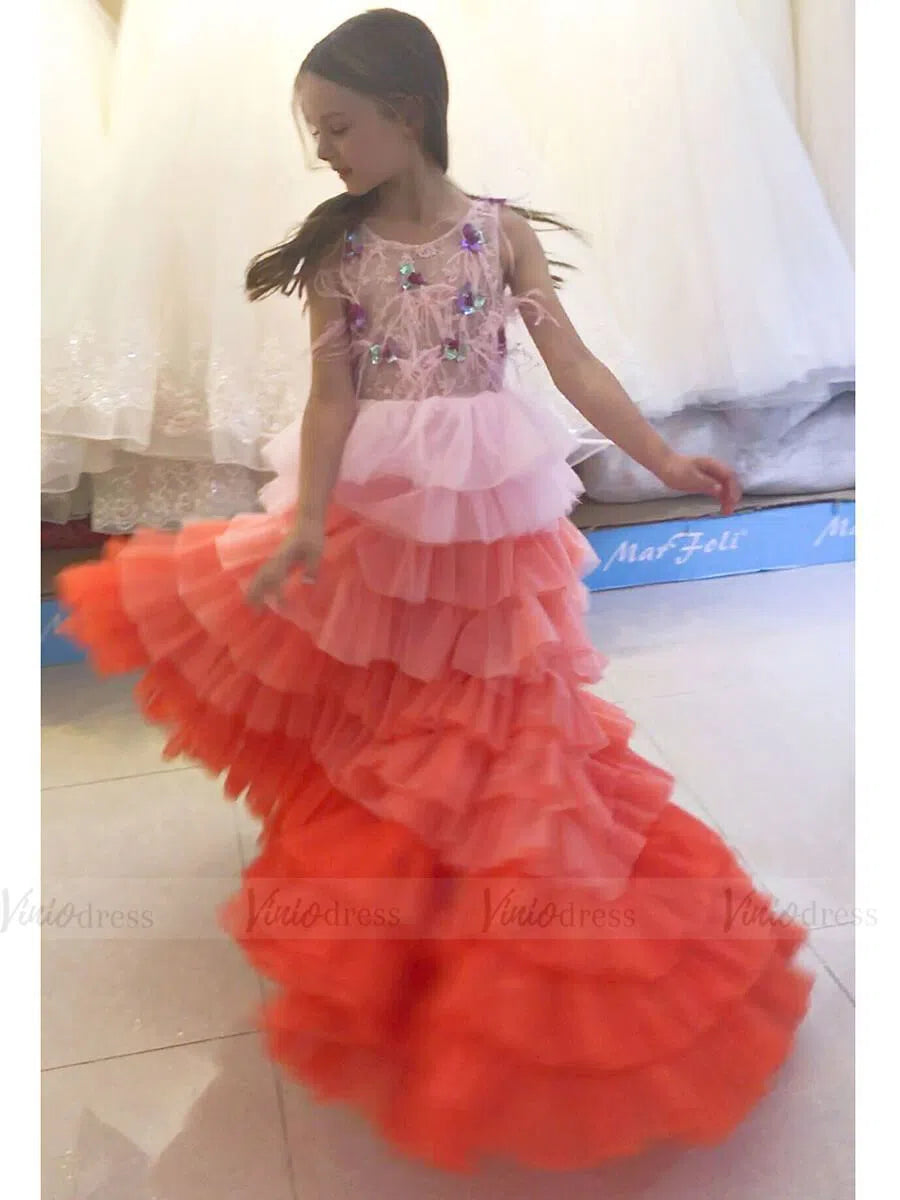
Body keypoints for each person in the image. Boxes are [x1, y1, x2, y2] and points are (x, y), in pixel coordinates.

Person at [58, 8, 812, 1173]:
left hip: (490, 512)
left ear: (407, 113)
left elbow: (569, 361)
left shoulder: (500, 236)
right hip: (380, 509)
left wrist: (663, 457)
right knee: (390, 717)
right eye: (316, 132)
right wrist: (308, 522)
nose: (323, 152)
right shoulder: (338, 254)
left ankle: (511, 945)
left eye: (338, 127)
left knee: (501, 724)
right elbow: (331, 400)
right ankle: (413, 931)